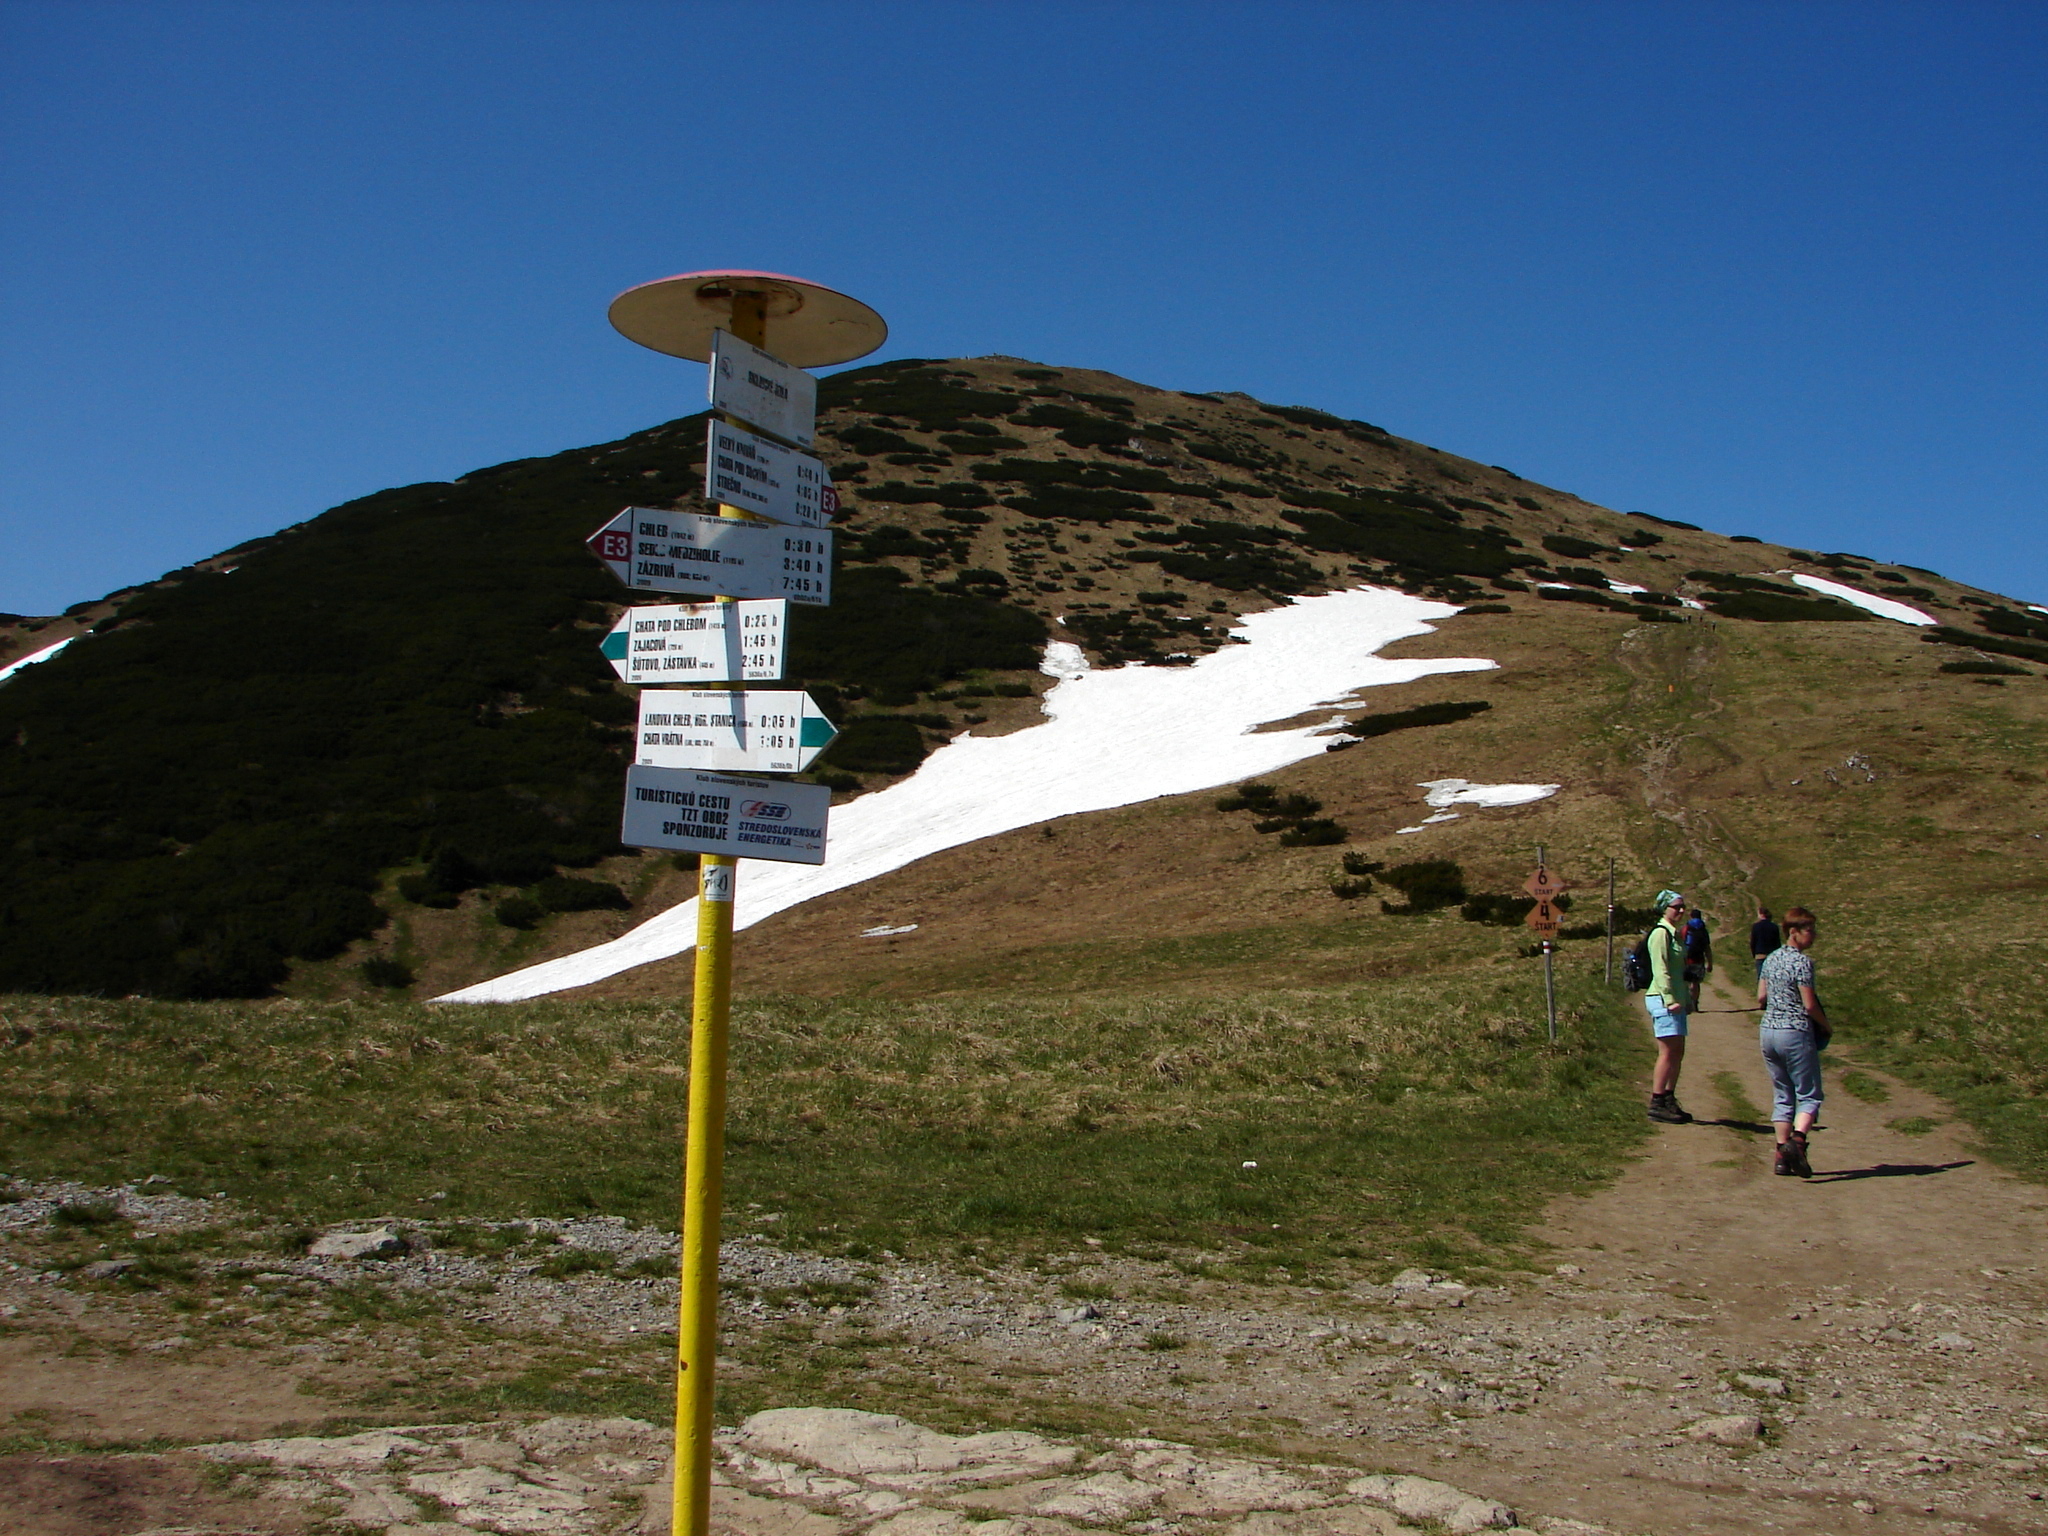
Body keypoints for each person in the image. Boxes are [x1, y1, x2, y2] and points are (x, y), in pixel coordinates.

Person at [1756, 906, 1827, 1177]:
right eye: (1810, 930)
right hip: (1795, 1031)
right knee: (1809, 1095)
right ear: (1794, 932)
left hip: (1768, 1032)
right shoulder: (1802, 962)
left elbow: (1760, 997)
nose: (1814, 935)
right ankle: (1797, 1142)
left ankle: (1780, 1156)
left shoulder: (1771, 960)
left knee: (1783, 1095)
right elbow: (1809, 1005)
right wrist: (1825, 1024)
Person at [1645, 889, 1693, 1124]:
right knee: (1667, 1051)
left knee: (1677, 1051)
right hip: (1664, 1000)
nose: (1681, 911)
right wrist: (1670, 998)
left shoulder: (1676, 935)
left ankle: (1669, 1097)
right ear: (1664, 908)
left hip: (1676, 1000)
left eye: (1682, 907)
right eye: (1676, 907)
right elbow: (1660, 968)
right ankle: (1657, 1100)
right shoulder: (1660, 934)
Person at [1683, 909, 1713, 1011]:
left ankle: (1687, 1002)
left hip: (1687, 958)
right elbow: (1707, 948)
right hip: (1699, 959)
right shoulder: (1703, 930)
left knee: (1685, 982)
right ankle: (1695, 1002)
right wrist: (1710, 963)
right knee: (1696, 983)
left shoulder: (1686, 928)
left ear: (1691, 916)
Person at [1749, 906, 1782, 983]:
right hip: (1772, 956)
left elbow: (1753, 942)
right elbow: (1777, 943)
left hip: (1760, 955)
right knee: (1772, 980)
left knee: (1761, 980)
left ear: (1761, 914)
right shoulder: (1774, 927)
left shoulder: (1756, 926)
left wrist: (1754, 954)